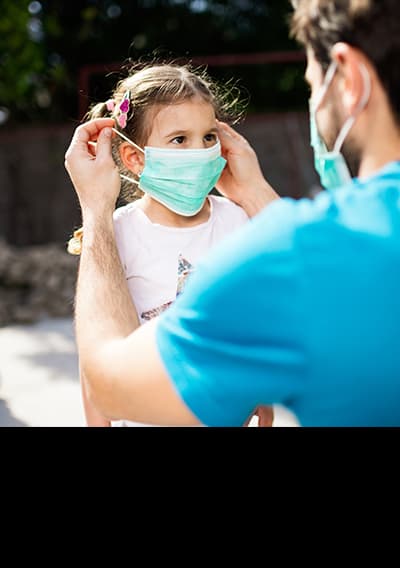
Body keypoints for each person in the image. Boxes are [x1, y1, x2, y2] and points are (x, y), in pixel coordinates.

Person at [65, 0, 400, 427]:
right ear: (134, 156)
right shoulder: (328, 248)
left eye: (312, 83)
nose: (313, 99)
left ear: (350, 79)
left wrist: (95, 209)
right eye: (179, 139)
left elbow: (107, 380)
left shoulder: (293, 245)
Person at [67, 63, 273, 426]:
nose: (201, 151)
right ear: (135, 157)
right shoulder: (114, 235)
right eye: (180, 139)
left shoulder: (238, 220)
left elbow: (255, 321)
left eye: (209, 137)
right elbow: (94, 353)